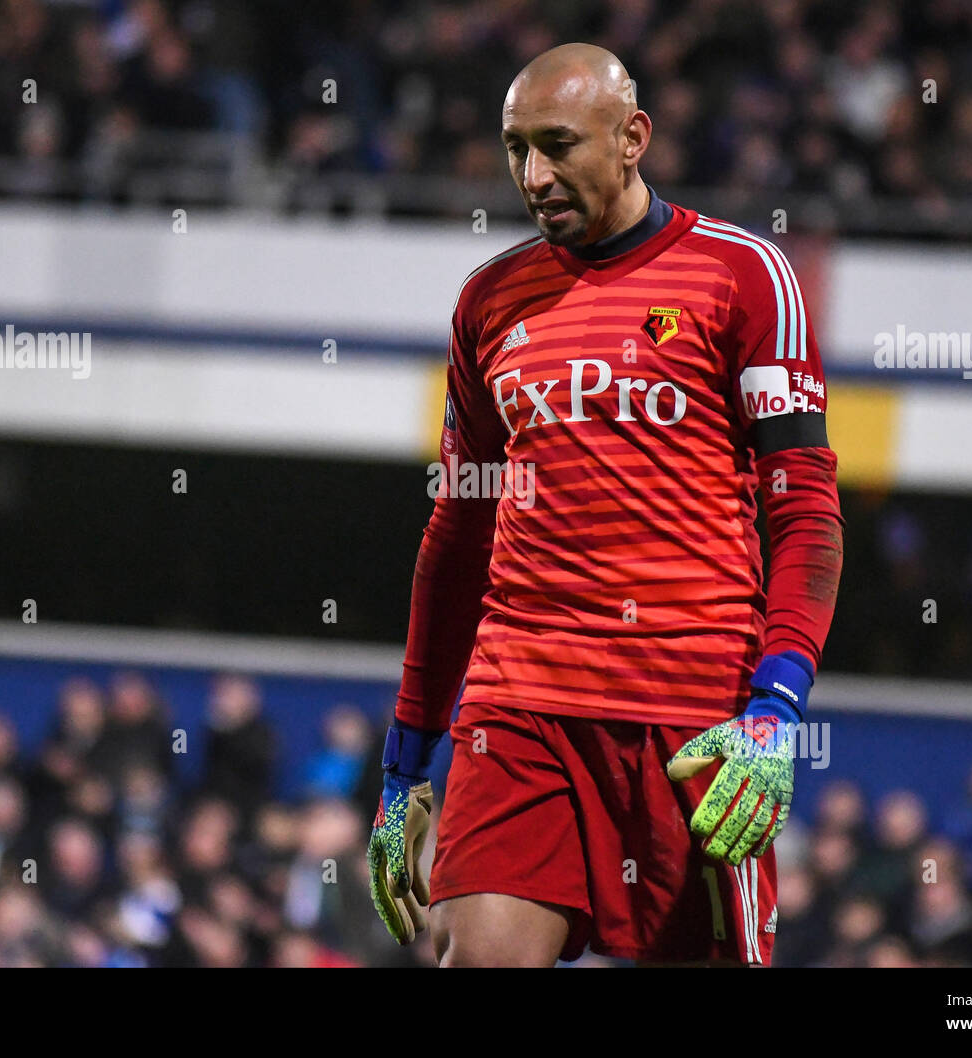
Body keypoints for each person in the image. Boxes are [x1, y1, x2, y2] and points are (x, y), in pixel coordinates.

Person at [368, 42, 844, 966]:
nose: (533, 176)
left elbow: (805, 514)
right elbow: (458, 536)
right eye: (516, 150)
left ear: (634, 139)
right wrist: (403, 765)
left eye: (558, 145)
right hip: (520, 703)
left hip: (690, 717)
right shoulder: (489, 303)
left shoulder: (742, 275)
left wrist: (777, 705)